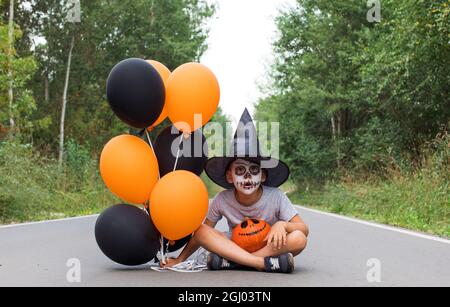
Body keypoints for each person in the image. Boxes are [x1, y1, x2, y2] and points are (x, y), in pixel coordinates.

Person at [161, 109, 309, 273]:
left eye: (254, 170)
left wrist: (282, 225)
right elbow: (202, 234)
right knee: (201, 230)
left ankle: (235, 262)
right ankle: (260, 263)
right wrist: (180, 259)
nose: (247, 177)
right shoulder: (222, 199)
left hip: (268, 244)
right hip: (234, 245)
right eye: (240, 170)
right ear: (230, 176)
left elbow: (303, 229)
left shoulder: (275, 196)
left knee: (298, 238)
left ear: (263, 176)